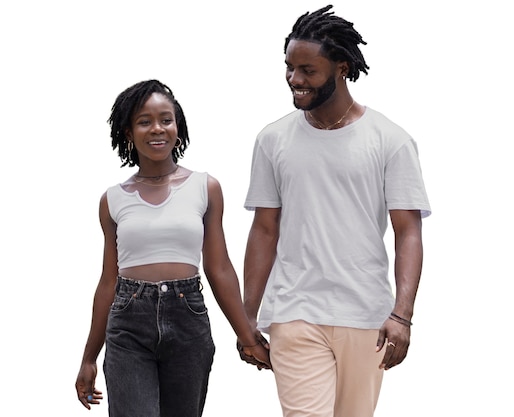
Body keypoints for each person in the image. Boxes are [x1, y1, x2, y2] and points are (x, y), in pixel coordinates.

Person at [239, 5, 431, 417]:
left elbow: (408, 233)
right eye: (289, 67)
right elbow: (264, 230)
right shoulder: (272, 140)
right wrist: (247, 317)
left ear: (342, 67)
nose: (294, 79)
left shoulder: (390, 140)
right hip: (294, 310)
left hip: (365, 313)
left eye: (308, 70)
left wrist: (403, 315)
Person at [75, 79, 270, 417]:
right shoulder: (112, 200)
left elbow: (219, 268)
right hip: (128, 323)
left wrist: (247, 335)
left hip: (188, 319)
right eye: (144, 121)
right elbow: (108, 281)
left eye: (166, 119)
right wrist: (89, 357)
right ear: (128, 132)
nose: (157, 129)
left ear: (178, 127)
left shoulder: (205, 187)